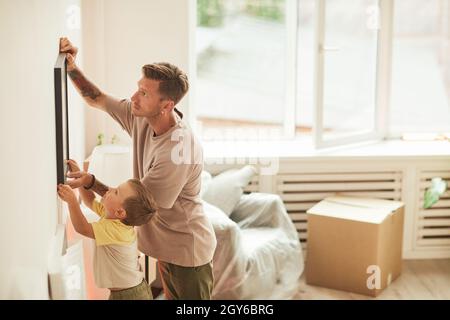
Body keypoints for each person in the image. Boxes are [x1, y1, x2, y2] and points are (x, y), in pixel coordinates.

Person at [59, 37, 217, 300]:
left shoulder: (177, 152)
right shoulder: (142, 116)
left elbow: (134, 206)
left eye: (144, 93)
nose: (133, 97)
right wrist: (72, 67)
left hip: (186, 249)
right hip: (164, 246)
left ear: (167, 106)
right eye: (138, 88)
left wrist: (91, 183)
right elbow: (95, 98)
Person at [57, 159, 157, 300]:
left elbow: (82, 228)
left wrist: (72, 202)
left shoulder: (116, 230)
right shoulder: (113, 217)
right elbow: (89, 201)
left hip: (130, 295)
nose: (109, 189)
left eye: (116, 192)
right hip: (128, 291)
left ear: (120, 212)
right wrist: (81, 180)